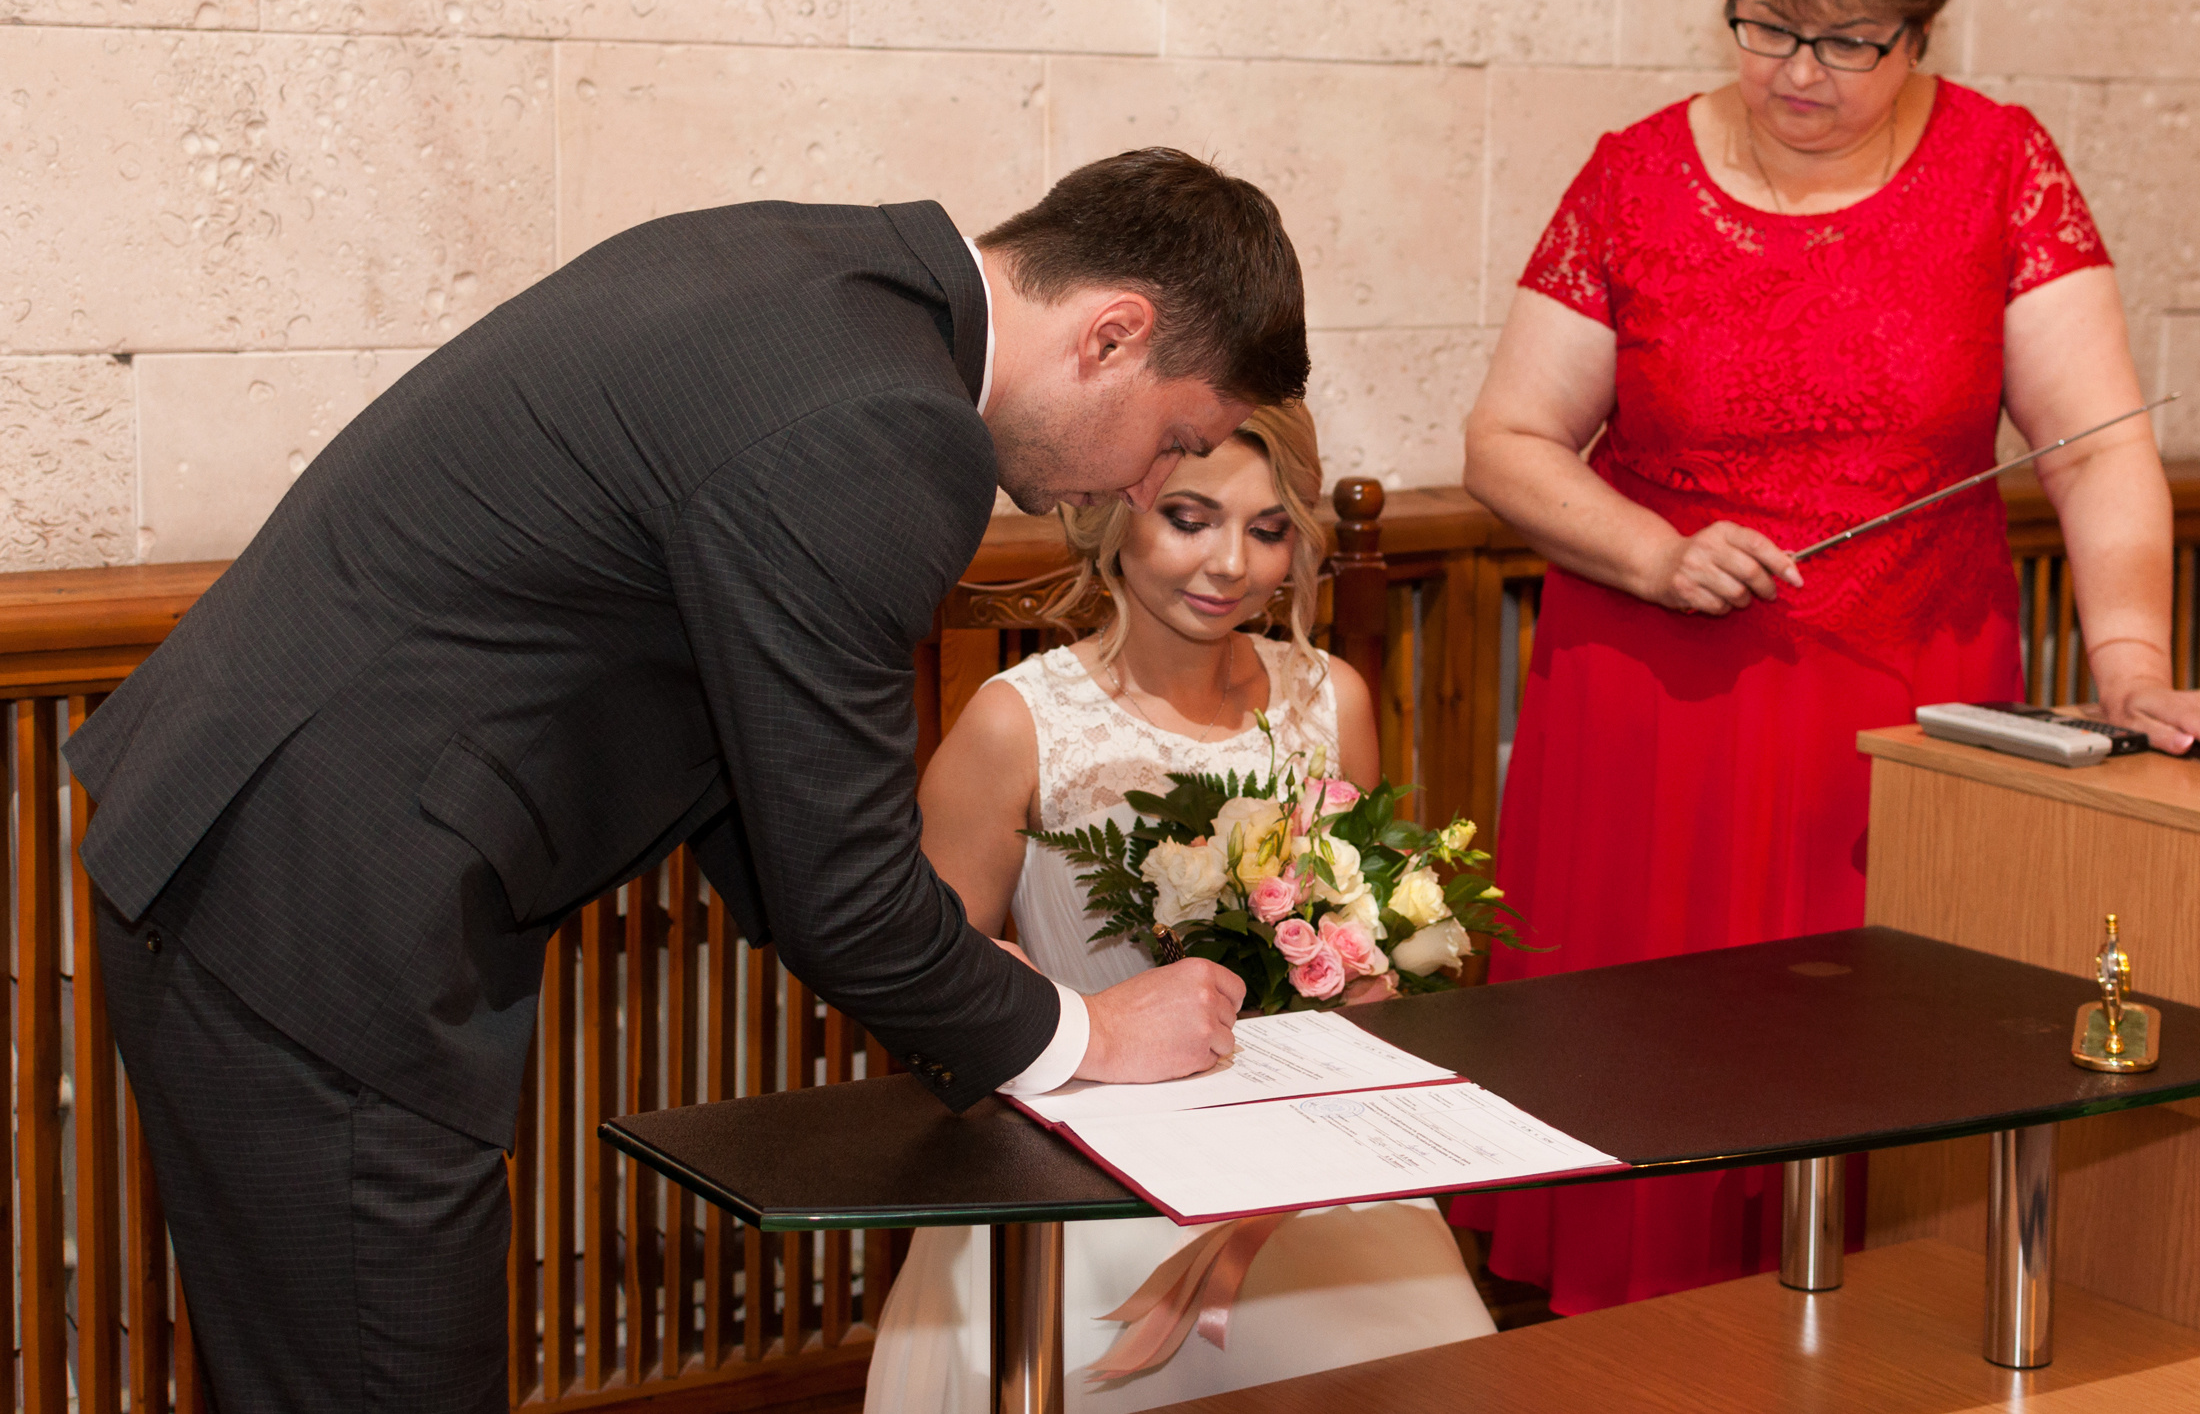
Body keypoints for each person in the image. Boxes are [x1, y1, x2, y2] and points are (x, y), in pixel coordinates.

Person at [64, 148, 1301, 1411]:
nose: (1149, 486)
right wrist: (1083, 1031)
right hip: (321, 913)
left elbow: (745, 750)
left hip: (248, 838)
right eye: (1176, 439)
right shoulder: (888, 425)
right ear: (1112, 335)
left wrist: (974, 994)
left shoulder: (809, 265)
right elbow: (841, 892)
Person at [1450, 0, 2200, 1317]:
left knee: (1874, 1060)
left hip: (1909, 705)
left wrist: (2133, 662)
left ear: (1922, 27)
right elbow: (1508, 440)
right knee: (1662, 1069)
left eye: (1849, 42)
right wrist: (1655, 548)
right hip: (1656, 714)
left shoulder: (2001, 163)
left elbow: (2093, 448)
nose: (1802, 75)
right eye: (1768, 29)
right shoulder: (1633, 179)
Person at [866, 402, 1494, 1411]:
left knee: (1419, 1344)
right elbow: (930, 973)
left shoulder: (1331, 699)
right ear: (1117, 513)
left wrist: (1364, 996)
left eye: (1267, 528)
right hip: (1081, 1145)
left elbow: (1367, 951)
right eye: (1190, 519)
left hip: (1303, 1154)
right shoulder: (1016, 723)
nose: (1229, 565)